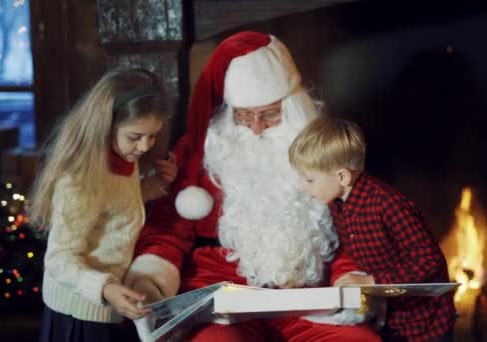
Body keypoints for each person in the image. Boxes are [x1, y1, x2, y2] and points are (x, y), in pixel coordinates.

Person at [124, 31, 381, 341]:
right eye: (244, 115)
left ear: (293, 106)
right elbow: (168, 229)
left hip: (308, 301)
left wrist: (348, 276)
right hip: (225, 306)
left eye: (270, 115)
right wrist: (151, 279)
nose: (256, 127)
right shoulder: (200, 155)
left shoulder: (327, 154)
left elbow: (355, 229)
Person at [29, 68, 177, 342]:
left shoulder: (123, 159)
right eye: (135, 136)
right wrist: (106, 289)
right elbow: (59, 260)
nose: (145, 146)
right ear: (105, 127)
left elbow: (113, 207)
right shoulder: (80, 181)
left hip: (106, 307)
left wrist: (156, 184)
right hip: (79, 315)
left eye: (153, 135)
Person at [288, 116, 457, 341]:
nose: (303, 187)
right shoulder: (337, 203)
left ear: (342, 176)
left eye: (309, 180)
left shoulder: (388, 204)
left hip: (424, 322)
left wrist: (371, 281)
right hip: (388, 316)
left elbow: (428, 260)